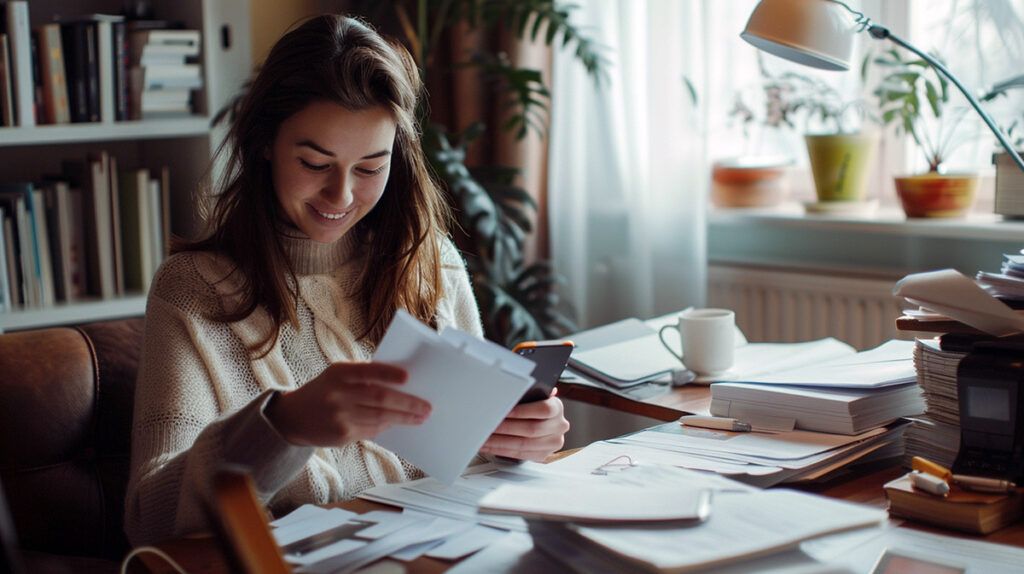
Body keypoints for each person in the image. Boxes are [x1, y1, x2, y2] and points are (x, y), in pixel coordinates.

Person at [124, 14, 570, 546]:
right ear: (265, 142)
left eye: (369, 168)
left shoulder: (430, 263)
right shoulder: (192, 290)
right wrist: (282, 427)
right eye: (315, 162)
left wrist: (519, 439)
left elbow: (468, 462)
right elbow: (148, 522)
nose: (340, 197)